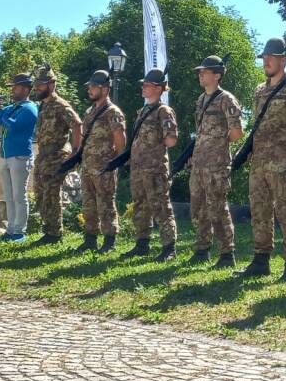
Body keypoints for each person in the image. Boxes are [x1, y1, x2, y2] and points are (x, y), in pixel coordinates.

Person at [237, 36, 286, 282]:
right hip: (259, 162)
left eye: (271, 57)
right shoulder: (260, 90)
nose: (266, 61)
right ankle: (261, 260)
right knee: (259, 210)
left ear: (284, 59)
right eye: (264, 58)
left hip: (283, 163)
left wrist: (284, 133)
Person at [188, 55, 245, 268]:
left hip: (217, 164)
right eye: (200, 72)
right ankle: (202, 249)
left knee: (218, 208)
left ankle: (227, 253)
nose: (200, 74)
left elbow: (237, 132)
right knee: (198, 207)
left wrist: (217, 144)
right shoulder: (201, 100)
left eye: (205, 71)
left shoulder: (226, 99)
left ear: (217, 75)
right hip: (199, 163)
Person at [122, 68, 179, 260]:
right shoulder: (143, 111)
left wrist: (152, 149)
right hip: (138, 168)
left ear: (157, 88)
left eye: (146, 85)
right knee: (140, 206)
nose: (143, 87)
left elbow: (171, 139)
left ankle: (169, 248)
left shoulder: (164, 111)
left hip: (155, 169)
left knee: (161, 207)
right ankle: (142, 243)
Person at [29, 65, 81, 246]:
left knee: (51, 193)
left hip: (57, 155)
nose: (37, 88)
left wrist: (75, 152)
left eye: (40, 85)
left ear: (52, 84)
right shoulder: (43, 105)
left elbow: (76, 124)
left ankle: (54, 234)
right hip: (43, 156)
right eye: (36, 85)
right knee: (40, 193)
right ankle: (48, 229)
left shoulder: (60, 105)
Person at [0, 73, 38, 242]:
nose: (12, 90)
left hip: (20, 157)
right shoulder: (12, 108)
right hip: (6, 156)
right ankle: (10, 230)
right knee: (8, 196)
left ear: (25, 89)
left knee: (19, 196)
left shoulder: (29, 109)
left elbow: (12, 126)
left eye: (15, 87)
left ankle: (19, 232)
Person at [76, 70, 126, 253]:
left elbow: (120, 138)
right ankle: (90, 239)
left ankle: (109, 241)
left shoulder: (113, 112)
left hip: (104, 167)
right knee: (89, 204)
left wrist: (116, 162)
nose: (89, 89)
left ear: (104, 89)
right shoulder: (90, 111)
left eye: (93, 86)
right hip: (88, 166)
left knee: (105, 203)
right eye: (89, 86)